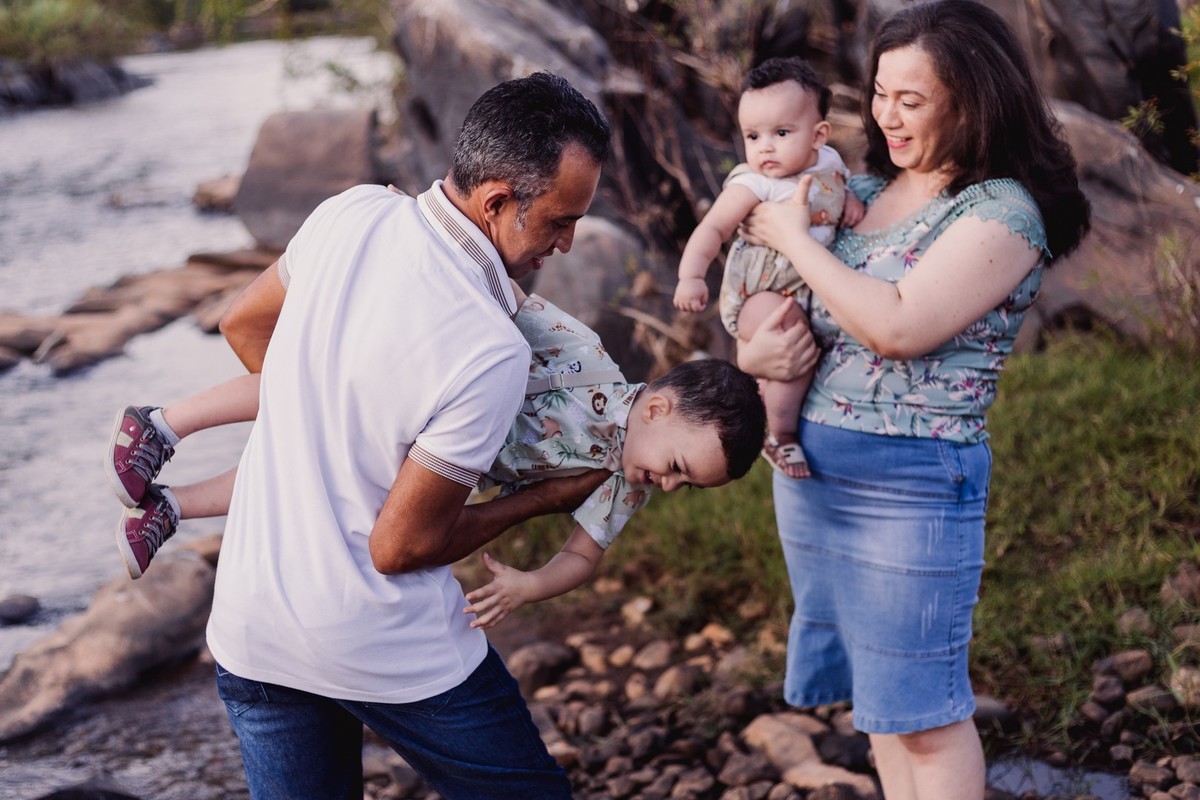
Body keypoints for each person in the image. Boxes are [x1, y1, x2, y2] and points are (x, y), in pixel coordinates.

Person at [141, 72, 612, 800]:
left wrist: (324, 413)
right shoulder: (491, 348)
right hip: (386, 645)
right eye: (558, 221)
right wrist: (547, 499)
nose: (569, 242)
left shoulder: (351, 211)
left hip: (254, 626)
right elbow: (399, 548)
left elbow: (243, 323)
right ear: (496, 203)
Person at [733, 2, 1091, 799]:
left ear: (972, 101)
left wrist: (791, 238)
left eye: (912, 100)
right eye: (879, 93)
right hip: (814, 482)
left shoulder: (1000, 212)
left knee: (925, 716)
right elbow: (767, 307)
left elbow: (899, 327)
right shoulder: (858, 191)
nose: (887, 116)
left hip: (912, 485)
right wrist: (751, 356)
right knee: (880, 709)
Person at [106, 283, 767, 630]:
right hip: (422, 388)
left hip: (431, 460)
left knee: (305, 468)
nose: (668, 487)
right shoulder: (586, 358)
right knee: (307, 387)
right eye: (678, 469)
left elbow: (582, 556)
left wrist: (529, 585)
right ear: (657, 409)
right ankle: (161, 424)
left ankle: (170, 507)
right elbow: (509, 298)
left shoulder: (620, 485)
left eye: (687, 486)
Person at [672, 57, 864, 480]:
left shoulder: (829, 163)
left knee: (806, 346)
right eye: (753, 136)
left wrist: (848, 201)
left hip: (804, 286)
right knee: (791, 347)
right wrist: (691, 276)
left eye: (781, 133)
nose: (765, 148)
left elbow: (837, 190)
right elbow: (714, 227)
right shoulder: (754, 182)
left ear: (819, 136)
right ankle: (779, 432)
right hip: (761, 292)